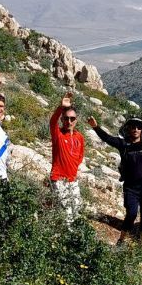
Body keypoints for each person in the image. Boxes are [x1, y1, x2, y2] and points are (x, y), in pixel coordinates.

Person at [88, 102, 142, 244]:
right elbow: (107, 138)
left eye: (139, 127)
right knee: (131, 213)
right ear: (129, 128)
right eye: (133, 126)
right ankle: (122, 239)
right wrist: (95, 127)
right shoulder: (123, 144)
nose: (136, 129)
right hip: (130, 187)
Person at [49, 92, 86, 222]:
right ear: (62, 119)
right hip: (59, 178)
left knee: (76, 210)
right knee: (66, 213)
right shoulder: (58, 134)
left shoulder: (79, 137)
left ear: (76, 120)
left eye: (72, 118)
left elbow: (80, 156)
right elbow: (52, 121)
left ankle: (74, 238)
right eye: (66, 118)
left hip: (73, 179)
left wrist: (73, 168)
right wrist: (61, 107)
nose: (69, 121)